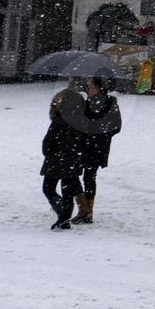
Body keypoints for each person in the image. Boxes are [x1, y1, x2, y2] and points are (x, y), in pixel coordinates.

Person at [40, 81, 89, 230]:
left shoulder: (59, 120)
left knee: (49, 188)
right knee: (68, 190)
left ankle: (62, 214)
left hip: (56, 159)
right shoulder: (81, 120)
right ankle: (65, 217)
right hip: (73, 159)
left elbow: (48, 141)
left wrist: (48, 152)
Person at [75, 76, 123, 224]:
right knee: (90, 177)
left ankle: (84, 210)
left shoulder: (86, 104)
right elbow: (117, 126)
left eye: (88, 86)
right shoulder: (111, 102)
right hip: (100, 146)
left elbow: (80, 124)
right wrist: (104, 136)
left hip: (85, 145)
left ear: (96, 88)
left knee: (73, 176)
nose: (87, 89)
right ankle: (88, 211)